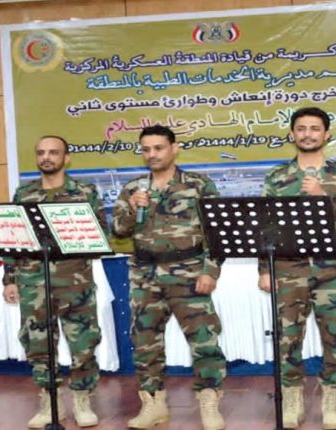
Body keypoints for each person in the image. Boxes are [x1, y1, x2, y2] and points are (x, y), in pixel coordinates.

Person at [258, 106, 336, 429]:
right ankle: (292, 398)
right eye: (301, 129)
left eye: (315, 129)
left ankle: (332, 397)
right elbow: (265, 227)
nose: (308, 134)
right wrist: (264, 270)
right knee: (288, 337)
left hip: (332, 270)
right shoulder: (277, 177)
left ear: (327, 134)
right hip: (288, 269)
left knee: (335, 334)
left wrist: (326, 198)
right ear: (292, 134)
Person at [111, 125, 226, 430]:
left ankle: (209, 401)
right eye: (146, 149)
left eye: (158, 148)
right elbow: (119, 230)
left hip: (189, 271)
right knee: (145, 341)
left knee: (203, 339)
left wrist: (210, 271)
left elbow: (217, 234)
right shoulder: (133, 188)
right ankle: (153, 404)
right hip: (144, 274)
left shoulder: (198, 185)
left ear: (174, 149)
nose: (152, 154)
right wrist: (132, 208)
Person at [2, 135, 104, 428]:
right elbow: (11, 239)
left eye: (53, 152)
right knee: (37, 343)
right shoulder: (24, 194)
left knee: (83, 342)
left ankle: (82, 398)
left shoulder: (85, 192)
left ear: (66, 158)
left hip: (75, 281)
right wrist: (9, 279)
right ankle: (50, 400)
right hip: (32, 282)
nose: (46, 157)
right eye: (41, 153)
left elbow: (101, 236)